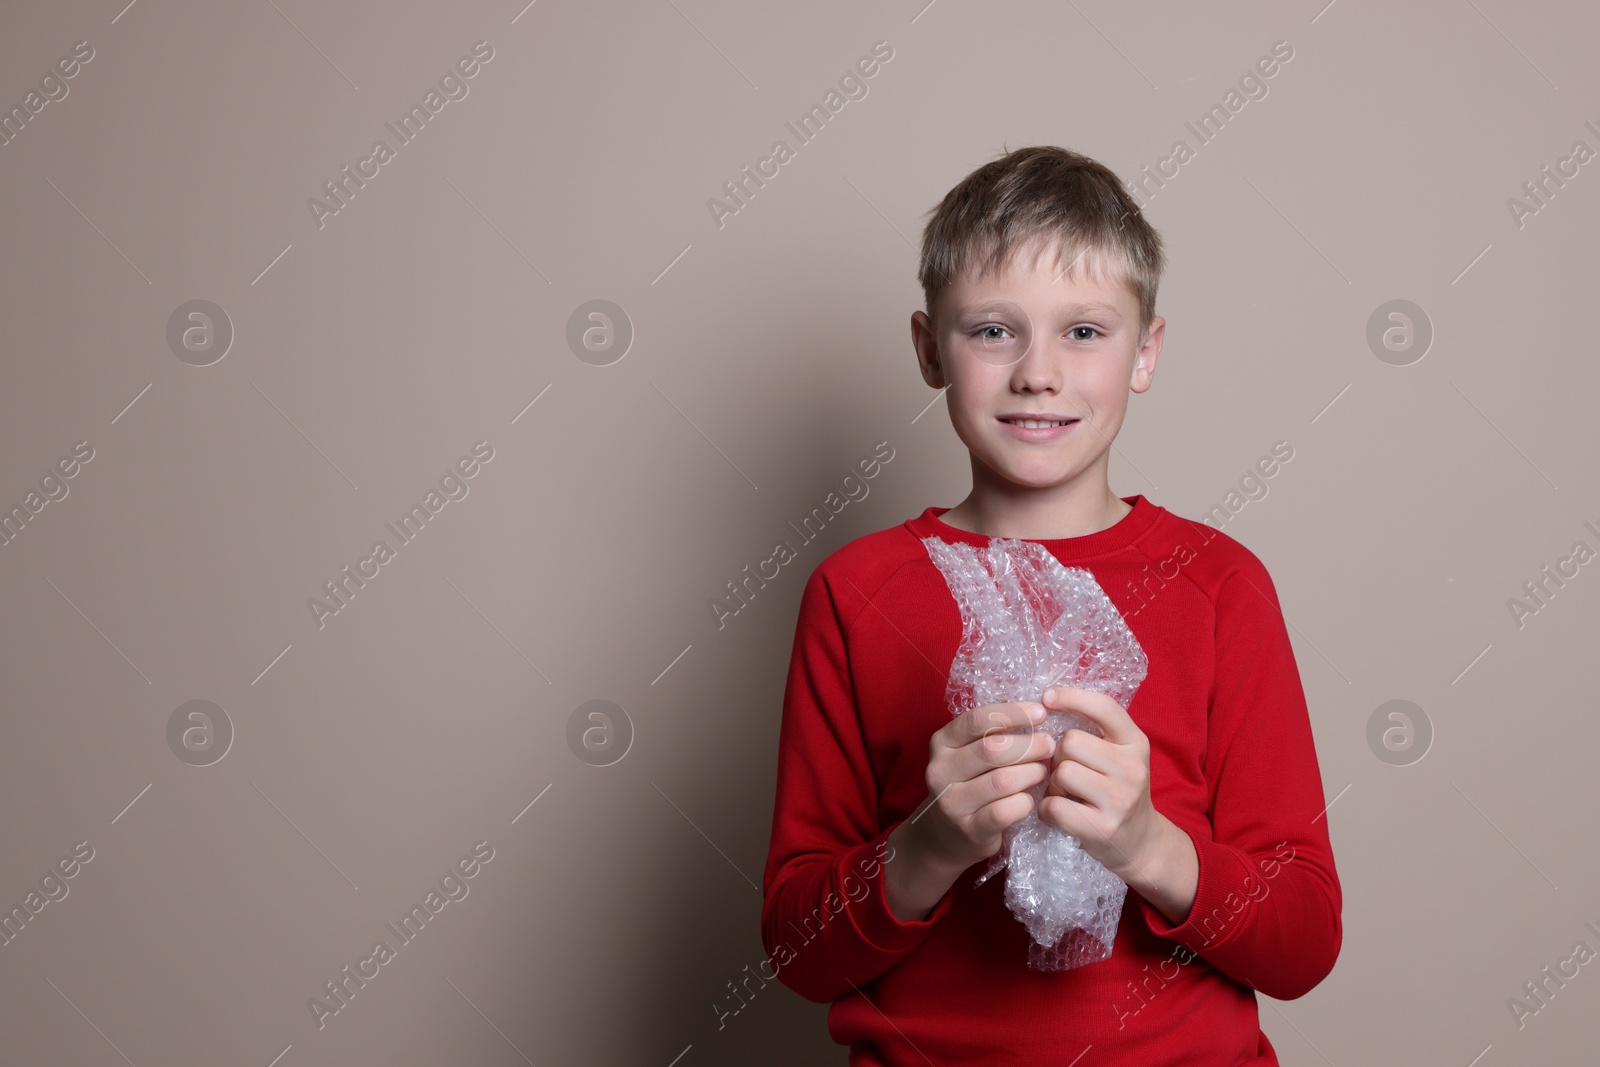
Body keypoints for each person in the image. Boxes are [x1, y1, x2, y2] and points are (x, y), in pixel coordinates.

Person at [759, 145, 1341, 1065]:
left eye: (1084, 331)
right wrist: (932, 842)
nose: (1038, 372)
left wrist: (1149, 843)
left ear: (1145, 351)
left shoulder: (1222, 585)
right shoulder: (856, 592)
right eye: (993, 330)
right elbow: (797, 950)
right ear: (928, 349)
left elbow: (1304, 939)